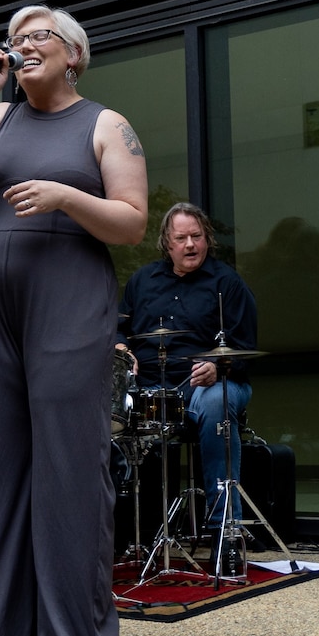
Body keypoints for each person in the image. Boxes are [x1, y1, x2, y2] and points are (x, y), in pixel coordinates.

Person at [0, 4, 146, 636]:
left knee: (66, 469)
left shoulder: (106, 124)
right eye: (15, 38)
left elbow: (132, 222)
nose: (23, 45)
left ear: (74, 54)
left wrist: (64, 197)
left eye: (38, 36)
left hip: (68, 298)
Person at [116, 202, 259, 572]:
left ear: (207, 238)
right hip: (148, 386)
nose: (190, 245)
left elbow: (245, 348)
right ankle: (118, 534)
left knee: (214, 403)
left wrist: (218, 365)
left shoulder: (227, 283)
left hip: (213, 386)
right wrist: (120, 347)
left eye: (197, 236)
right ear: (167, 242)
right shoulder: (142, 281)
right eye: (181, 238)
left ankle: (225, 535)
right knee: (97, 406)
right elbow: (117, 327)